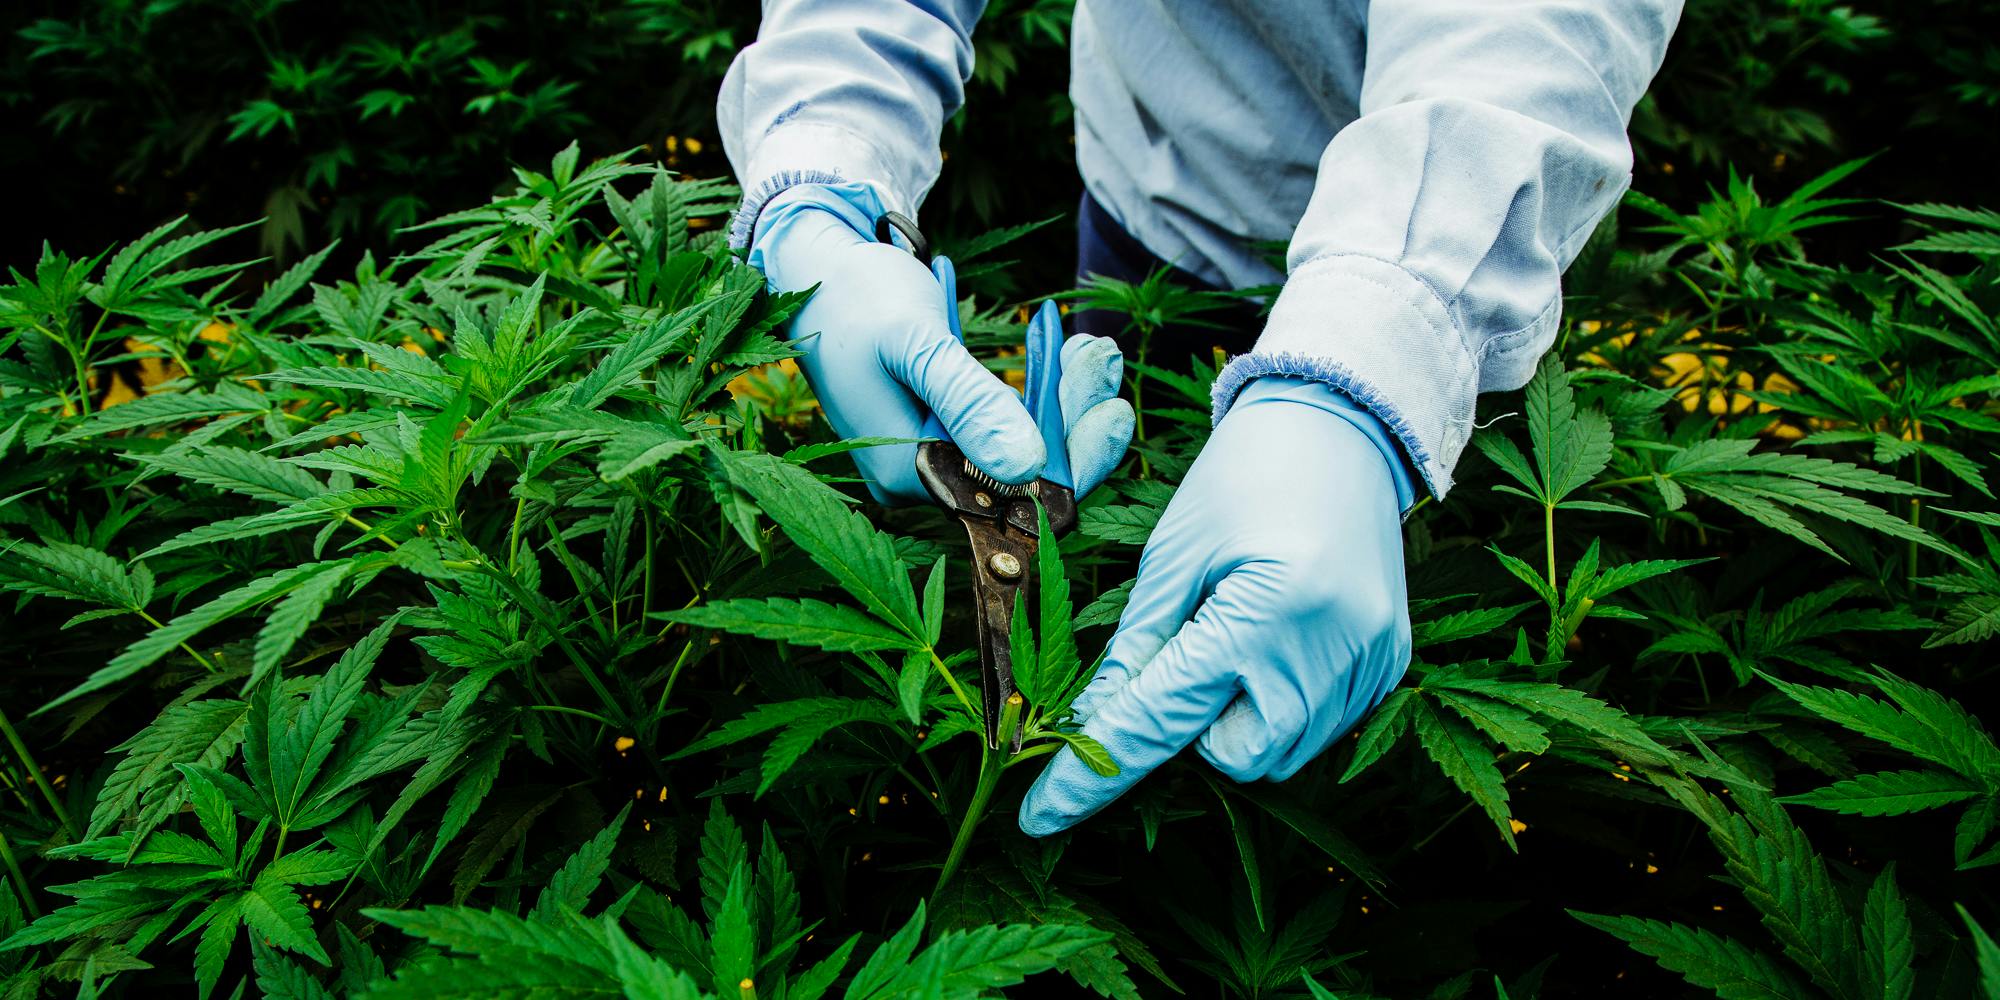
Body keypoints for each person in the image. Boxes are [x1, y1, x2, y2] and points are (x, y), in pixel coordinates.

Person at [719, 1, 1682, 837]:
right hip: (1161, 199)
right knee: (1115, 558)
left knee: (1292, 621)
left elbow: (1535, 30)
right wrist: (821, 188)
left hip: (1469, 256)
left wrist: (1369, 375)